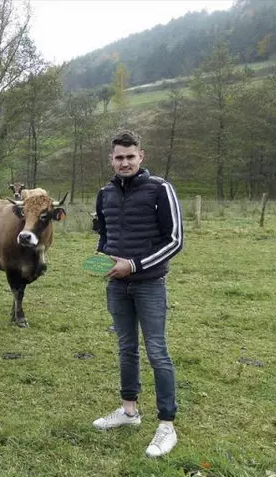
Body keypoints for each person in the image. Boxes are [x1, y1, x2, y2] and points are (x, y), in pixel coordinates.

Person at [92, 129, 184, 457]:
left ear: (141, 156)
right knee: (126, 349)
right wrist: (101, 258)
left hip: (149, 284)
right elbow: (104, 234)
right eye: (119, 157)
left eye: (131, 156)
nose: (125, 162)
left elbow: (175, 240)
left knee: (157, 351)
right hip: (117, 285)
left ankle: (166, 426)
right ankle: (129, 411)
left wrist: (133, 264)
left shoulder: (161, 189)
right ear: (111, 159)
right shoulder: (104, 193)